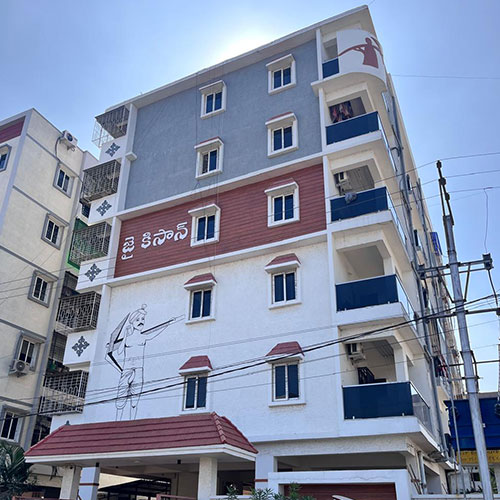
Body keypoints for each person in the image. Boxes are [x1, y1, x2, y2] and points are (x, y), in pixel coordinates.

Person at [111, 305, 172, 420]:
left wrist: (167, 324)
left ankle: (132, 422)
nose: (141, 322)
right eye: (138, 320)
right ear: (132, 323)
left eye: (143, 319)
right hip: (127, 369)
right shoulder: (127, 338)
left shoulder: (143, 337)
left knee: (135, 398)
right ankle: (117, 422)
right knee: (121, 398)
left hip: (139, 369)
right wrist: (125, 336)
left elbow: (155, 333)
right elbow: (119, 351)